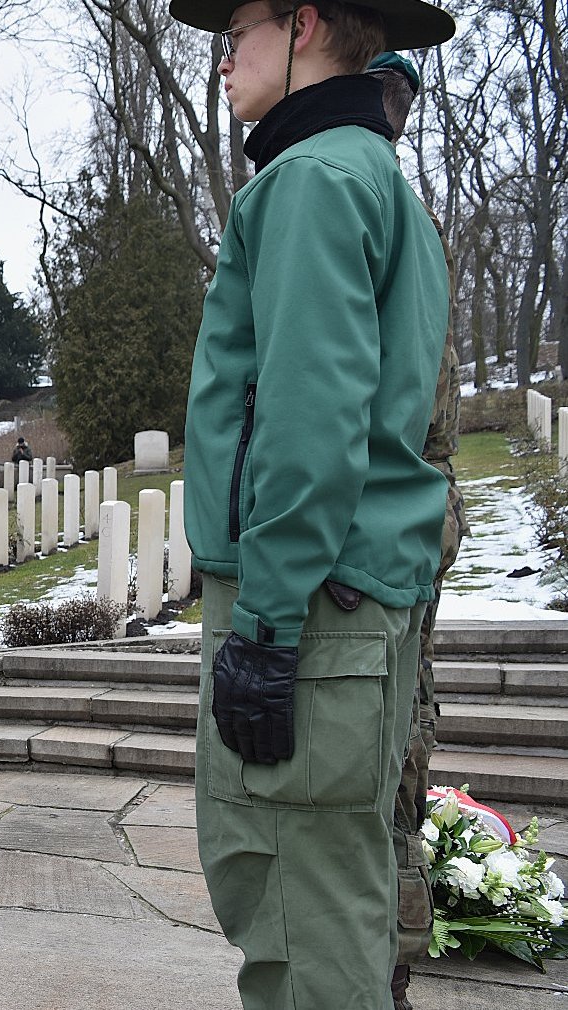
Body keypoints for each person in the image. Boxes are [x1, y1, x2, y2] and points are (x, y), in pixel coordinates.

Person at [168, 3, 455, 1008]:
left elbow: (304, 418)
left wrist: (263, 622)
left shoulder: (312, 178)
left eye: (233, 31)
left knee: (294, 913)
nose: (218, 64)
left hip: (301, 607)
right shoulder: (365, 171)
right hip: (337, 604)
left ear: (300, 23)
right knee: (325, 899)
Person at [369, 49, 465, 1010]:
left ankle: (387, 967)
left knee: (396, 760)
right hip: (394, 533)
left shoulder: (394, 218)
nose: (392, 106)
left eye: (403, 93)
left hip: (398, 538)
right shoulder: (374, 204)